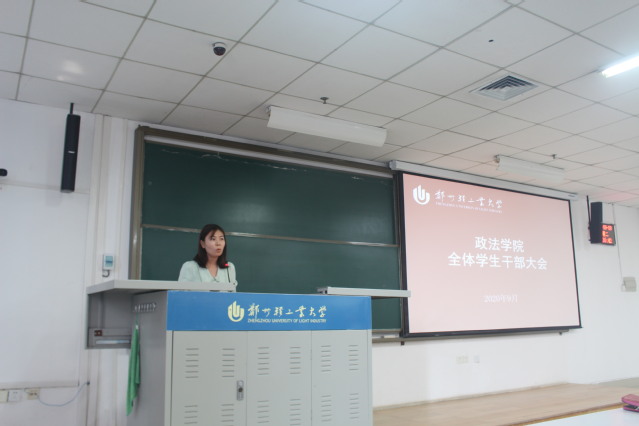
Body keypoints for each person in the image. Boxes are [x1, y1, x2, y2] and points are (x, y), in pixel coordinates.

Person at [178, 224, 238, 289]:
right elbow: (181, 294)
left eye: (221, 239)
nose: (218, 243)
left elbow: (233, 294)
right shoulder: (190, 267)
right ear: (203, 244)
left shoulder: (229, 267)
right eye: (213, 239)